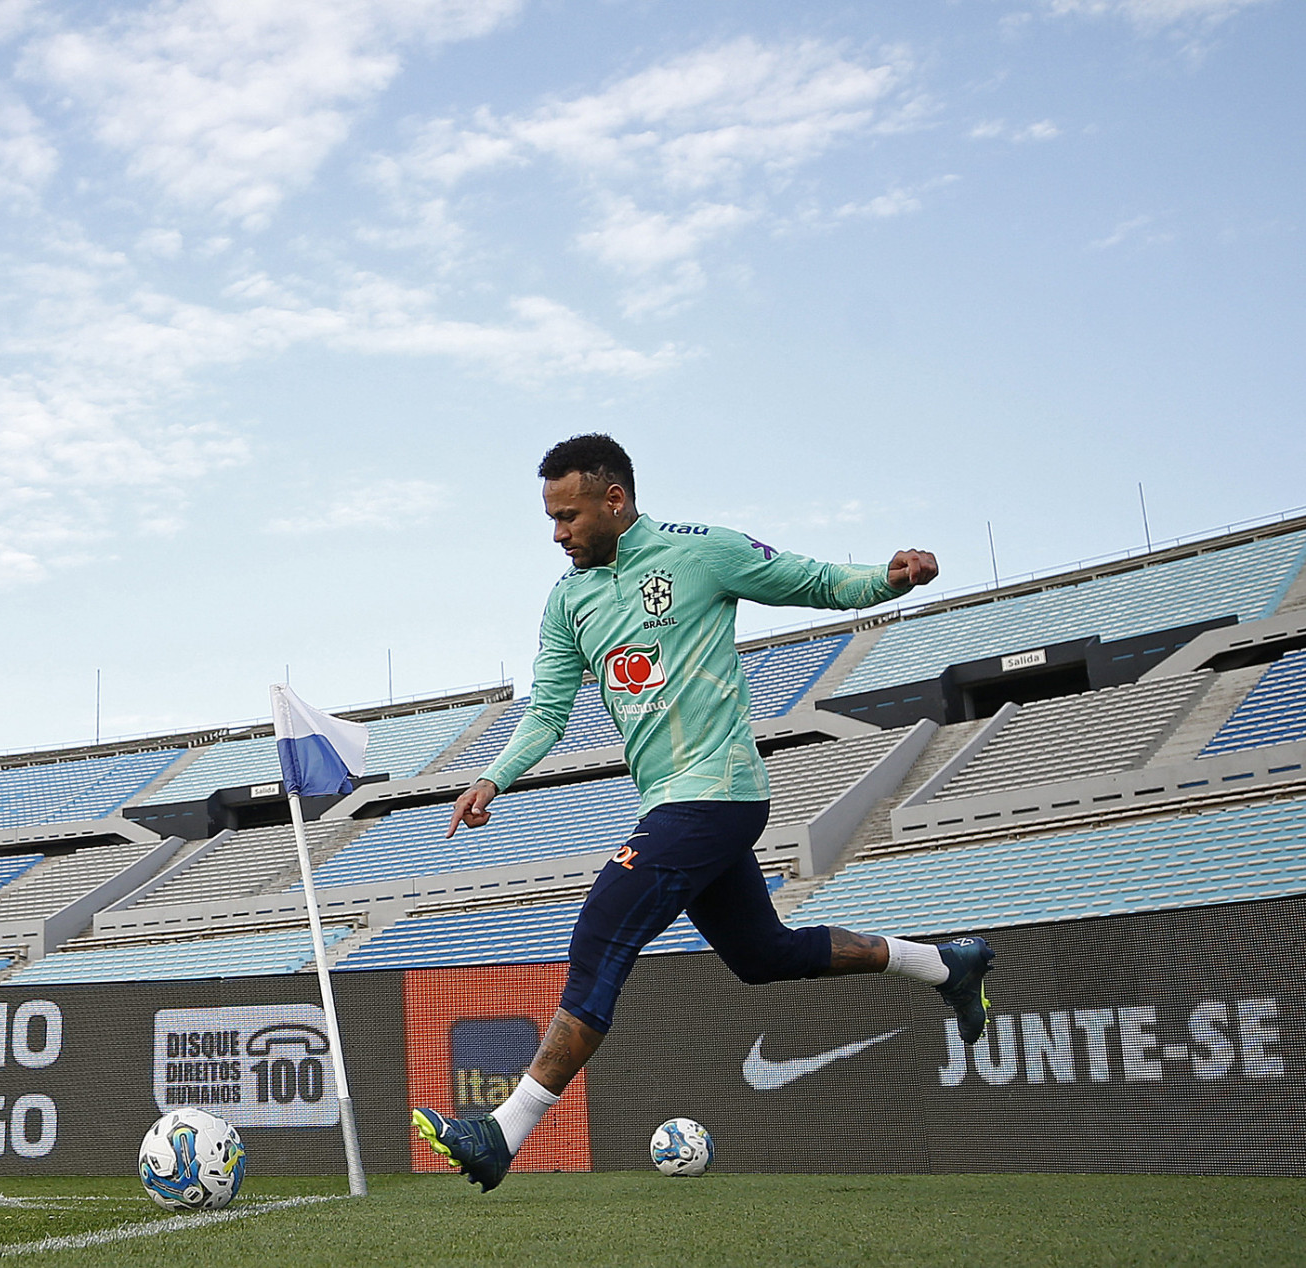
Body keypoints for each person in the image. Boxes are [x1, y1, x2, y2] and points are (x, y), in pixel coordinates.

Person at [412, 433, 993, 1192]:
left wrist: (887, 579)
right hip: (672, 799)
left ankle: (502, 1131)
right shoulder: (567, 601)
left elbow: (809, 580)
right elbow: (548, 710)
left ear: (613, 501)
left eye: (568, 515)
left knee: (597, 936)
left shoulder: (700, 551)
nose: (557, 534)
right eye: (550, 518)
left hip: (716, 789)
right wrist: (492, 779)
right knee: (763, 956)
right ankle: (947, 964)